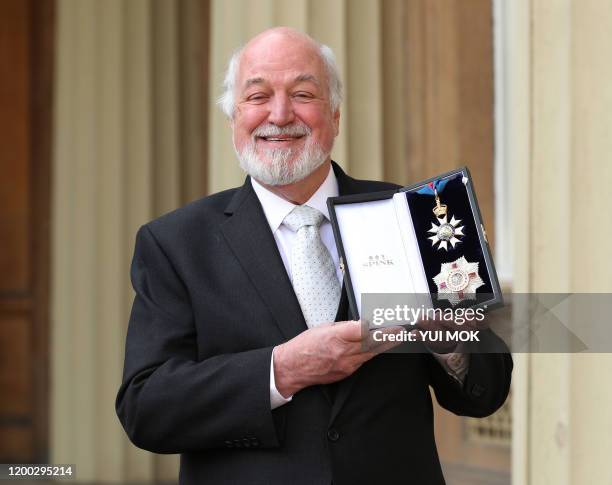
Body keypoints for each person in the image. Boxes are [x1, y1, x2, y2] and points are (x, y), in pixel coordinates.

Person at [116, 27, 512, 485]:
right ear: (233, 117)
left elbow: (487, 391)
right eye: (258, 95)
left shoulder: (417, 216)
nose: (280, 115)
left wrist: (449, 338)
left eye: (303, 94)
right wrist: (280, 371)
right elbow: (147, 407)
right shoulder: (176, 243)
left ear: (335, 115)